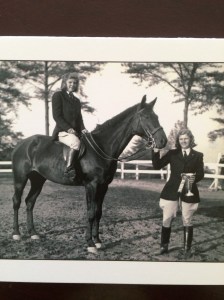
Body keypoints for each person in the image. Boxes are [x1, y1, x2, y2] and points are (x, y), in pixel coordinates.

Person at [152, 128, 204, 258]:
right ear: (178, 140)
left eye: (186, 138)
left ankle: (187, 249)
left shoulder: (198, 155)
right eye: (181, 139)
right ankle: (164, 246)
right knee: (167, 218)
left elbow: (201, 173)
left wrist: (194, 178)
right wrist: (155, 151)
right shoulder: (172, 153)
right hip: (171, 190)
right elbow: (157, 165)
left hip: (189, 190)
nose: (183, 141)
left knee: (187, 219)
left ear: (190, 139)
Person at [52, 72, 87, 179]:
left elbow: (79, 118)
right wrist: (69, 129)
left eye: (75, 83)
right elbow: (57, 116)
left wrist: (83, 129)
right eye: (70, 82)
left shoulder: (76, 100)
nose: (72, 84)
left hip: (76, 132)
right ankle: (69, 169)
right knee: (76, 143)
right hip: (62, 132)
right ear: (65, 83)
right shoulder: (58, 95)